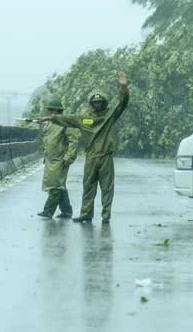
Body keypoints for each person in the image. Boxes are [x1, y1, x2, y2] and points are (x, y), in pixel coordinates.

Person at [36, 71, 130, 224]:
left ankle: (106, 215)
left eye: (100, 102)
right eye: (95, 102)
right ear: (91, 103)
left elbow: (121, 103)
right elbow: (69, 119)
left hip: (106, 156)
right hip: (91, 156)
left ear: (105, 103)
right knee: (88, 186)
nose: (98, 104)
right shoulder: (85, 118)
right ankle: (86, 213)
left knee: (107, 188)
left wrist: (124, 88)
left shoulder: (110, 115)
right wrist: (50, 118)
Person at [36, 97, 80, 219]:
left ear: (55, 111)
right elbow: (48, 141)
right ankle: (66, 211)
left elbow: (73, 141)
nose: (48, 113)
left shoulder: (66, 123)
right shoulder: (50, 124)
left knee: (55, 186)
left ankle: (48, 210)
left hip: (60, 160)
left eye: (50, 110)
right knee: (59, 185)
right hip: (51, 159)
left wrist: (69, 157)